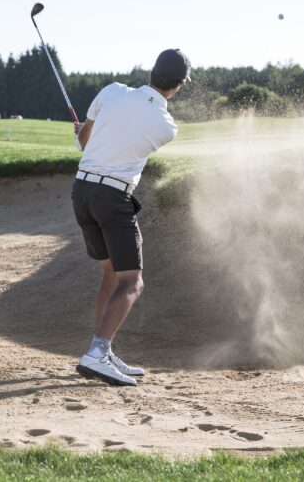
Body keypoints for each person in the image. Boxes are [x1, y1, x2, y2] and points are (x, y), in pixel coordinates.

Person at [72, 49, 191, 387]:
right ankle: (97, 353)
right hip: (112, 197)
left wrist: (82, 131)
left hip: (81, 192)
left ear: (151, 71)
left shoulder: (110, 91)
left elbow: (85, 142)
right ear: (179, 86)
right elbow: (126, 139)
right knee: (132, 282)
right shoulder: (166, 127)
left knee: (110, 276)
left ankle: (102, 352)